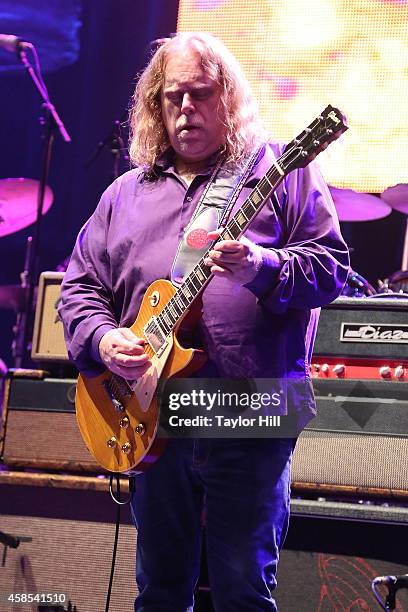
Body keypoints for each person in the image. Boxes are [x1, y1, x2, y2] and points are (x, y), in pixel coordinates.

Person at [59, 32, 349, 611]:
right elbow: (80, 286)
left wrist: (260, 266)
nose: (185, 108)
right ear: (154, 107)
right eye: (172, 97)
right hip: (151, 412)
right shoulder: (124, 194)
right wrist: (104, 337)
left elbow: (331, 270)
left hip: (249, 407)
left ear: (229, 99)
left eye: (200, 93)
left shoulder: (281, 173)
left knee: (243, 590)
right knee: (161, 590)